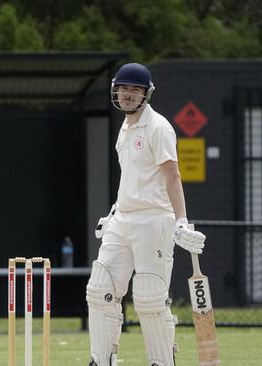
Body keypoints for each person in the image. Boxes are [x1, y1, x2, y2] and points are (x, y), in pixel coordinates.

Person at [87, 63, 206, 366]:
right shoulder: (125, 128)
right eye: (123, 88)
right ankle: (102, 360)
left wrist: (180, 220)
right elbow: (134, 177)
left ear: (146, 94)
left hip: (154, 220)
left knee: (149, 298)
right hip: (123, 218)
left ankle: (162, 361)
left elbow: (172, 175)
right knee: (101, 289)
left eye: (134, 90)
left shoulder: (158, 127)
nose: (127, 94)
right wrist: (116, 211)